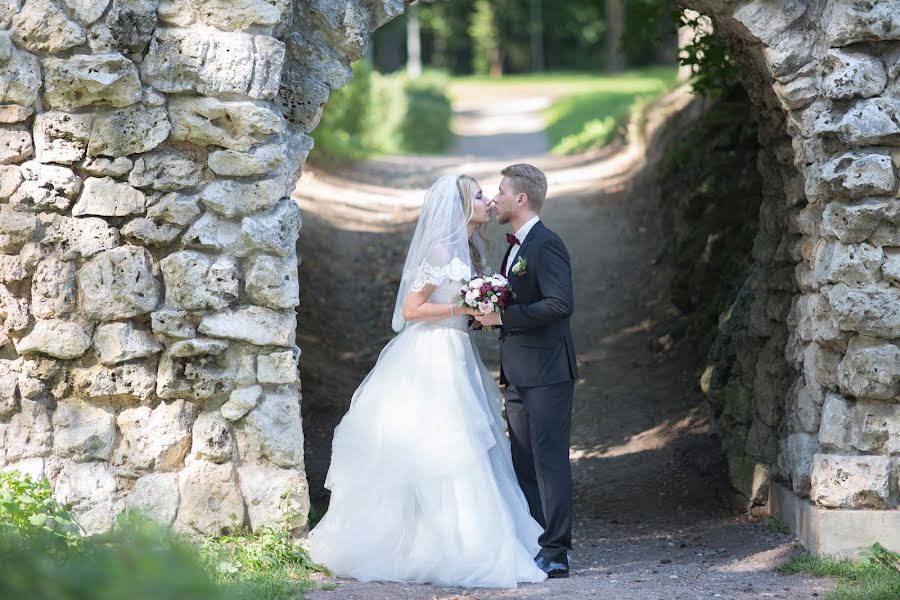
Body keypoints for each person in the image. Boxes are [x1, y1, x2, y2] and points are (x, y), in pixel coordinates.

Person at [307, 174, 548, 588]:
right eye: (477, 196)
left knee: (469, 442)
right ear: (459, 207)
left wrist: (476, 313)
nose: (488, 200)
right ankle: (433, 543)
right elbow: (412, 310)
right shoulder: (441, 250)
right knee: (443, 444)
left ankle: (459, 538)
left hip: (456, 352)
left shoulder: (471, 247)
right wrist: (462, 305)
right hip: (431, 355)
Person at [476, 163, 578, 579]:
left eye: (500, 192)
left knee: (549, 462)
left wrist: (504, 317)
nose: (494, 198)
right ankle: (535, 538)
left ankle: (556, 551)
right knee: (523, 460)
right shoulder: (515, 246)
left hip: (549, 372)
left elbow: (559, 304)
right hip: (517, 373)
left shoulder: (546, 244)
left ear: (521, 199)